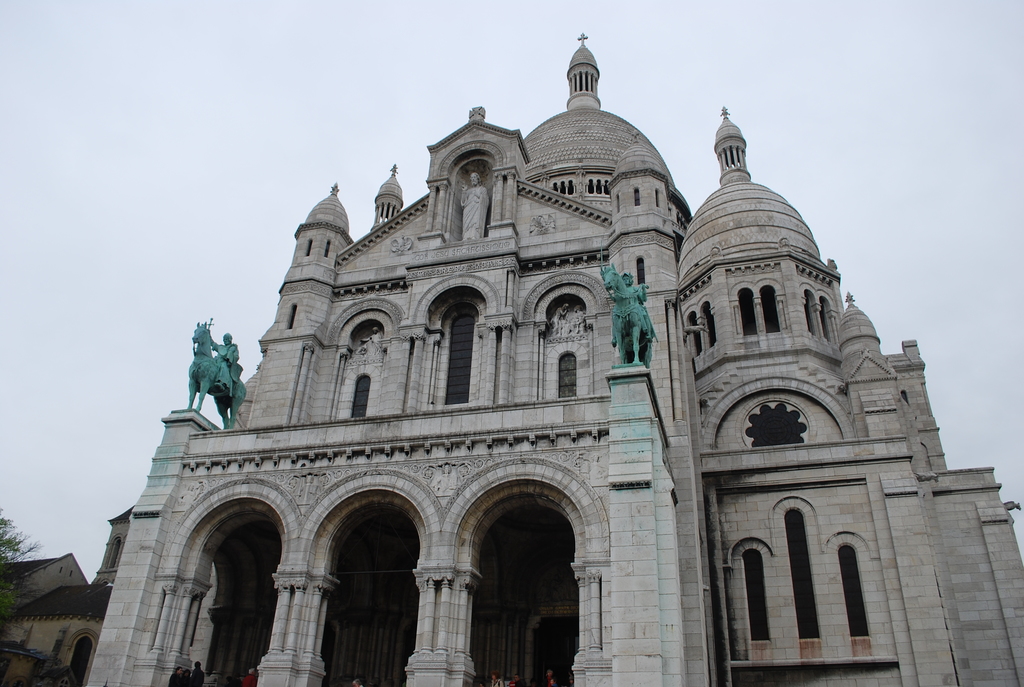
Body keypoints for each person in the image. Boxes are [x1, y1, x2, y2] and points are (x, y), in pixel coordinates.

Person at [460, 172, 488, 240]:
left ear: (478, 179)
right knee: (467, 224)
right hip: (468, 209)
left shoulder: (482, 189)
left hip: (477, 208)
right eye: (471, 178)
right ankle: (466, 237)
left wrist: (477, 194)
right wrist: (464, 192)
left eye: (474, 178)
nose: (473, 179)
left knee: (475, 223)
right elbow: (463, 202)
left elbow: (485, 200)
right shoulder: (468, 191)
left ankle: (475, 236)